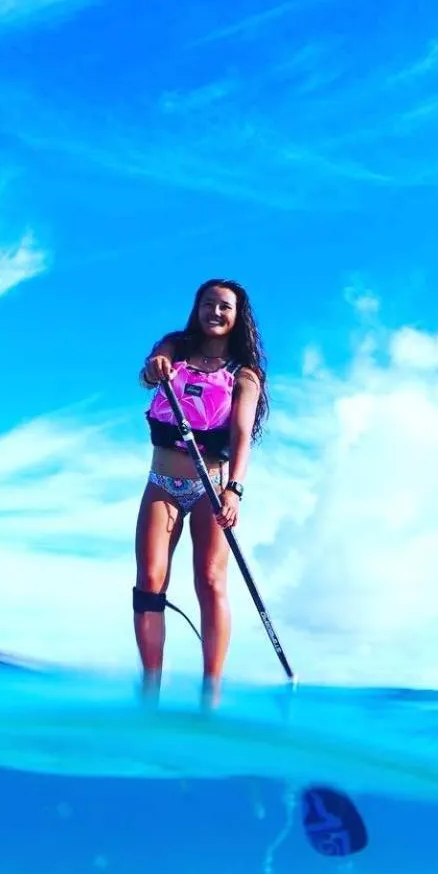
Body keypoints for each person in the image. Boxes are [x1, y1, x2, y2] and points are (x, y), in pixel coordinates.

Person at [133, 279, 267, 705]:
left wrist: (235, 490)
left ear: (235, 317)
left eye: (224, 306)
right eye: (208, 303)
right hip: (163, 486)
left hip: (211, 487)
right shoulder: (175, 347)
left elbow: (242, 433)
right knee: (150, 580)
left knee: (210, 581)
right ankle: (150, 687)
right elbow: (150, 371)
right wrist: (156, 366)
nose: (215, 311)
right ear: (197, 308)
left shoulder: (243, 375)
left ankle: (211, 691)